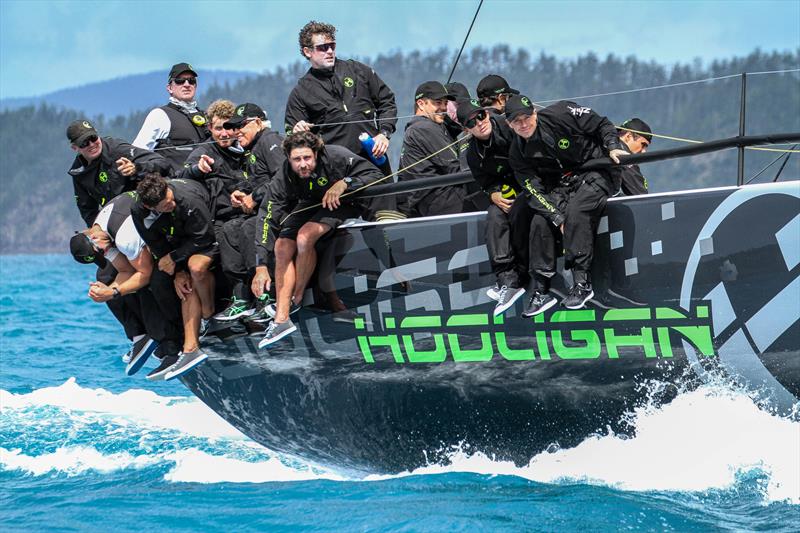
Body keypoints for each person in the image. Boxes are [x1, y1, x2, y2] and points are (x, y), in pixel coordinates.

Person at [256, 131, 382, 347]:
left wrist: (345, 183)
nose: (303, 164)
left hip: (346, 201)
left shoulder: (336, 156)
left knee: (305, 237)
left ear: (316, 153)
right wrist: (260, 265)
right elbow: (267, 216)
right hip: (313, 203)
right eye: (297, 159)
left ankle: (295, 300)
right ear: (288, 158)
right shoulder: (283, 176)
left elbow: (375, 174)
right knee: (281, 245)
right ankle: (281, 320)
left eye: (307, 158)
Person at [505, 94, 628, 311]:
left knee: (577, 212)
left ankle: (582, 283)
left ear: (535, 113)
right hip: (565, 182)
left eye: (526, 118)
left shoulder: (560, 114)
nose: (523, 124)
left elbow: (601, 123)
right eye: (517, 121)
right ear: (509, 124)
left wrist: (612, 146)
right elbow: (533, 189)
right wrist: (556, 216)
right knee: (540, 221)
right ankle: (541, 290)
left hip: (597, 170)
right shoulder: (517, 151)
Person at [69, 192, 183, 380]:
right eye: (101, 253)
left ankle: (173, 344)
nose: (105, 251)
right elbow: (124, 270)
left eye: (101, 250)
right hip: (154, 233)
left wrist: (114, 292)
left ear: (91, 236)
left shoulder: (123, 237)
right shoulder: (99, 233)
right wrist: (108, 290)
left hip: (178, 228)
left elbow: (143, 275)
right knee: (105, 278)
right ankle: (141, 335)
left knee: (151, 284)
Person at [132, 175, 218, 379]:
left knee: (195, 268)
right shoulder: (139, 211)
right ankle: (180, 344)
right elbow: (155, 242)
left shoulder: (187, 200)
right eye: (165, 205)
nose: (171, 204)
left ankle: (207, 318)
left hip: (207, 234)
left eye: (170, 199)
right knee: (160, 283)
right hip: (177, 242)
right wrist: (177, 271)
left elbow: (205, 237)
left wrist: (176, 258)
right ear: (149, 206)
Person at [285, 21, 397, 178]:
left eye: (332, 46)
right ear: (307, 51)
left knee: (387, 200)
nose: (329, 51)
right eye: (323, 47)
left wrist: (384, 133)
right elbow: (292, 139)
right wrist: (297, 130)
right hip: (337, 169)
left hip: (374, 158)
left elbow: (387, 102)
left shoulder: (358, 70)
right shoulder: (301, 91)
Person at [211, 102, 286, 321]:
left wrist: (255, 197)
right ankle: (241, 296)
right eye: (233, 127)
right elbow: (257, 181)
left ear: (259, 123)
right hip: (262, 209)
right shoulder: (251, 149)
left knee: (247, 227)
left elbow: (281, 178)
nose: (235, 132)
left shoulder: (269, 140)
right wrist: (241, 193)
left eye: (241, 125)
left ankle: (267, 296)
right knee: (228, 229)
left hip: (281, 208)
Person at [459, 99, 526, 316]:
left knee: (522, 212)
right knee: (494, 215)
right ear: (466, 129)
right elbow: (485, 182)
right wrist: (494, 192)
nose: (480, 123)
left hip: (533, 182)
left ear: (487, 114)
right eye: (472, 122)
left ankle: (531, 277)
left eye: (481, 115)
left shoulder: (508, 127)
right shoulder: (472, 153)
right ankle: (507, 280)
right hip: (511, 190)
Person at [67, 119, 171, 227]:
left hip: (149, 208)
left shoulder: (117, 149)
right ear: (75, 148)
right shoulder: (78, 172)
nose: (92, 144)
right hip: (119, 218)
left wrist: (136, 169)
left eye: (93, 138)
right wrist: (98, 228)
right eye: (84, 143)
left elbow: (162, 163)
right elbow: (87, 209)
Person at [397, 81, 465, 217]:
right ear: (421, 104)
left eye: (445, 103)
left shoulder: (419, 128)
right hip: (438, 200)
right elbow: (454, 166)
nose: (443, 108)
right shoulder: (424, 127)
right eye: (438, 103)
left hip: (428, 202)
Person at [133, 62, 210, 172]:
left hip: (204, 182)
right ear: (169, 88)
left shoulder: (206, 116)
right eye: (180, 81)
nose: (187, 84)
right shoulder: (159, 115)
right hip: (173, 184)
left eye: (191, 80)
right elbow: (137, 152)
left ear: (195, 86)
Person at [616, 118, 652, 196]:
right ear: (628, 136)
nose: (644, 151)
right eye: (643, 144)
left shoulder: (603, 141)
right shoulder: (622, 152)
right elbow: (640, 196)